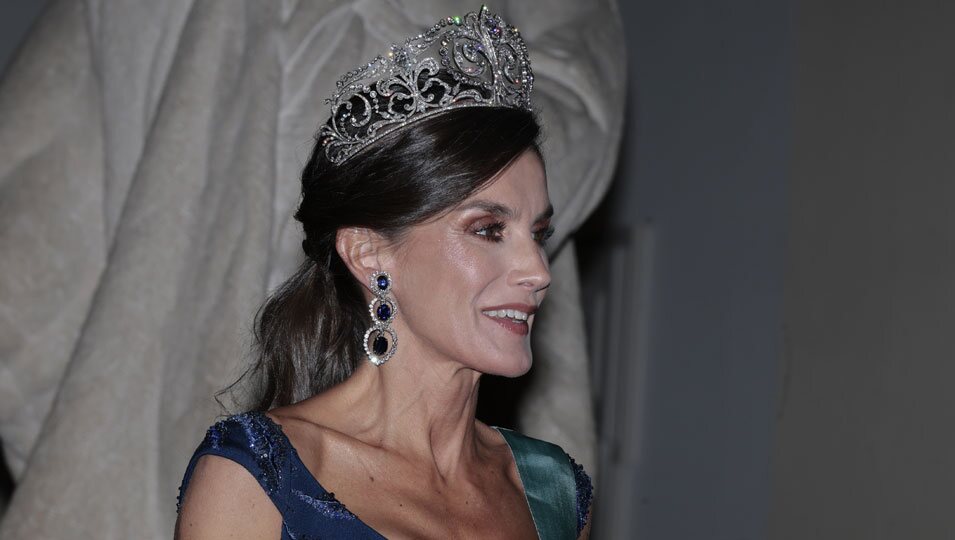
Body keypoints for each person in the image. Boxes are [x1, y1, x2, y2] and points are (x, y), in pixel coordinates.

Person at [174, 6, 593, 539]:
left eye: (539, 234)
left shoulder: (551, 490)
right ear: (369, 254)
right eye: (488, 229)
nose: (538, 270)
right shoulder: (258, 476)